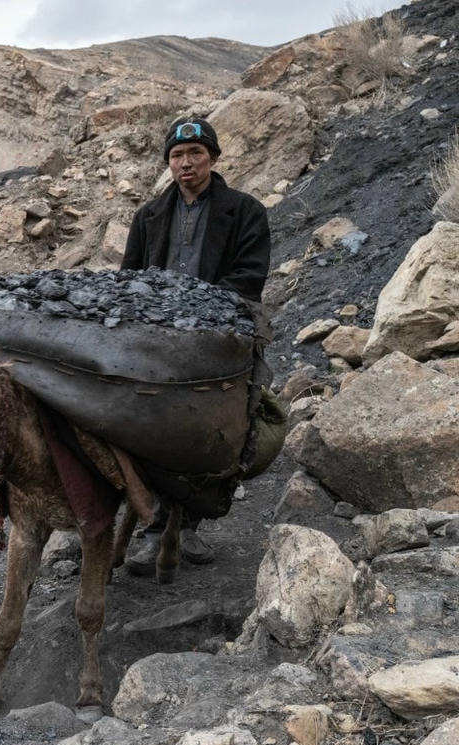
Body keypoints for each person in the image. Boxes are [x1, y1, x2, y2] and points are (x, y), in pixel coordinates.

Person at [119, 116, 272, 576]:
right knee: (144, 426)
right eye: (177, 156)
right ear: (169, 162)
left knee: (212, 430)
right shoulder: (148, 216)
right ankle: (151, 526)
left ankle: (189, 523)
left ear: (213, 157)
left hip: (215, 334)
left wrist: (202, 309)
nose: (186, 164)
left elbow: (248, 277)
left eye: (196, 154)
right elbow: (129, 279)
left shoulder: (245, 211)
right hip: (157, 339)